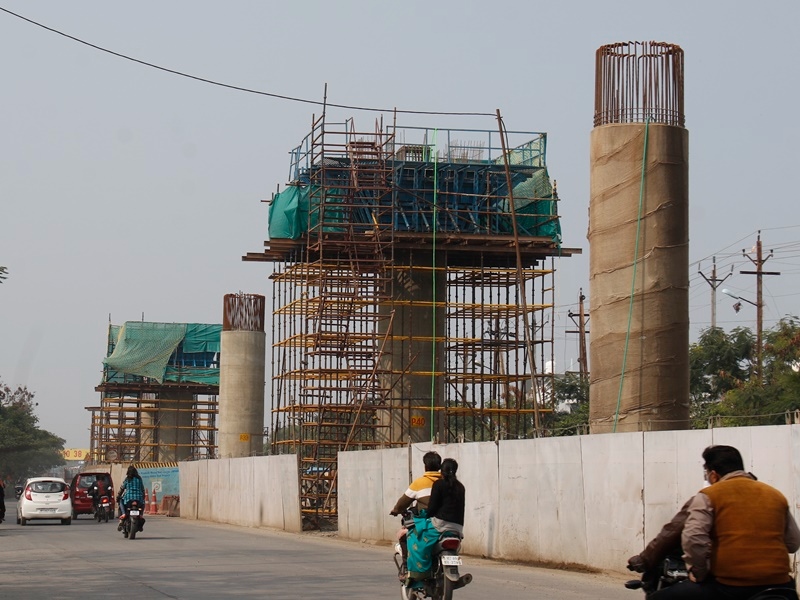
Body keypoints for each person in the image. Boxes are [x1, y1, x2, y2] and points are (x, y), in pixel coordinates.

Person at [650, 445, 800, 600]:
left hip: (731, 587)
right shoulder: (775, 495)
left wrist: (699, 572)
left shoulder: (709, 495)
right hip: (782, 586)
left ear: (713, 475)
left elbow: (693, 537)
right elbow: (793, 543)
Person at [389, 451, 442, 580]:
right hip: (448, 524)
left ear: (425, 466)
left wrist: (396, 510)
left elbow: (403, 502)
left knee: (404, 536)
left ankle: (407, 567)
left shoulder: (419, 483)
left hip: (428, 524)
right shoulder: (446, 482)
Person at [427, 458, 465, 538]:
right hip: (458, 527)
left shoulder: (438, 484)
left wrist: (426, 516)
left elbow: (432, 508)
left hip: (440, 524)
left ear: (442, 471)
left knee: (418, 529)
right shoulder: (461, 487)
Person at [117, 466, 146, 532]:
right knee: (143, 503)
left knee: (121, 501)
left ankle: (123, 514)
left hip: (128, 499)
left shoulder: (127, 479)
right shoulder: (139, 479)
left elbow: (122, 488)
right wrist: (142, 497)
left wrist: (118, 496)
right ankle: (141, 514)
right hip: (138, 499)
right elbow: (143, 489)